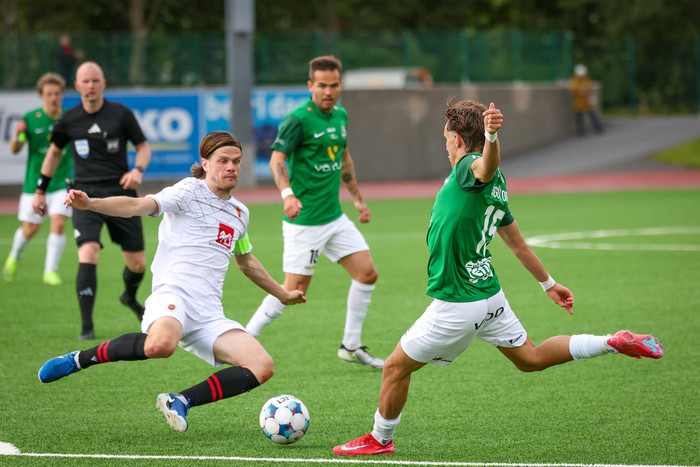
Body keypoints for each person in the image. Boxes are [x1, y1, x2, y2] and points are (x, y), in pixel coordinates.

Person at [333, 99, 663, 456]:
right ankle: (611, 341)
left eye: (446, 139)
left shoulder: (470, 167)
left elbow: (485, 167)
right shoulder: (498, 184)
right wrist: (548, 284)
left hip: (458, 300)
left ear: (458, 139)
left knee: (396, 367)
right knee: (531, 358)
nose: (446, 147)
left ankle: (380, 439)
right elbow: (518, 245)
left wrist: (491, 137)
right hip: (489, 295)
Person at [37, 131, 307, 433]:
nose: (231, 167)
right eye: (223, 161)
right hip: (173, 294)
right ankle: (79, 359)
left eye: (236, 161)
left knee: (262, 365)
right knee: (161, 345)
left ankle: (180, 400)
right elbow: (136, 206)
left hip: (208, 312)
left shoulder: (240, 213)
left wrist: (282, 294)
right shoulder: (187, 191)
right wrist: (90, 203)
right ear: (205, 163)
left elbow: (246, 261)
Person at [245, 55, 384, 369]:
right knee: (293, 290)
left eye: (333, 85)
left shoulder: (341, 115)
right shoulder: (297, 120)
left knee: (367, 273)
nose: (328, 92)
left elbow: (343, 158)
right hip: (305, 222)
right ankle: (245, 337)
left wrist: (358, 199)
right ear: (311, 86)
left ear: (340, 85)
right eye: (322, 85)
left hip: (334, 217)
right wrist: (287, 195)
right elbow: (277, 159)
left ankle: (350, 346)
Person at [32, 61, 151, 340]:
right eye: (85, 81)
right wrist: (40, 190)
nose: (91, 86)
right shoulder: (69, 119)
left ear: (103, 83)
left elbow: (143, 147)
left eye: (95, 80)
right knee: (88, 252)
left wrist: (138, 170)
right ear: (77, 86)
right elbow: (54, 153)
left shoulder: (121, 113)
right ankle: (87, 328)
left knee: (137, 264)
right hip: (83, 196)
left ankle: (129, 296)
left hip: (121, 194)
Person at [3, 73, 73, 286]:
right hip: (35, 183)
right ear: (41, 95)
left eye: (57, 93)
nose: (54, 98)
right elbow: (15, 149)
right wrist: (18, 134)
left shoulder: (70, 118)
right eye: (49, 94)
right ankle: (14, 256)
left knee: (58, 223)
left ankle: (50, 271)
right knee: (30, 229)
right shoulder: (30, 118)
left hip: (61, 181)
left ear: (62, 94)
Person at [570, 64, 603, 135]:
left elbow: (589, 87)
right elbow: (574, 89)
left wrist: (585, 91)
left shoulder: (586, 80)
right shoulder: (575, 81)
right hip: (579, 103)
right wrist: (581, 92)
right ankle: (581, 131)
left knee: (592, 115)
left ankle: (598, 128)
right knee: (579, 117)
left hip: (587, 102)